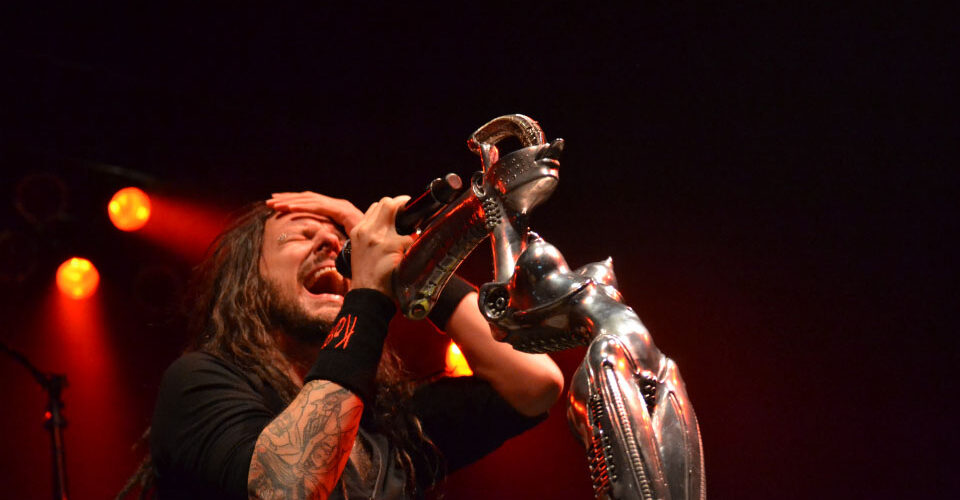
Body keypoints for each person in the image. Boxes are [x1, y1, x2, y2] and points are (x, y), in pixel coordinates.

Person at [144, 191, 564, 499]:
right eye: (297, 237)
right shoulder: (199, 380)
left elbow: (536, 382)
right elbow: (287, 486)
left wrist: (412, 266)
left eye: (342, 243)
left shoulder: (386, 422)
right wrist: (368, 296)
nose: (331, 245)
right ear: (248, 279)